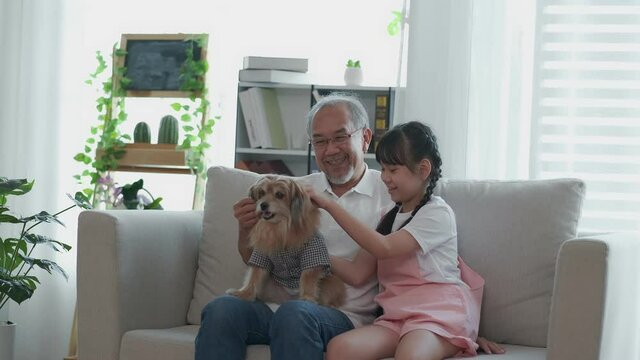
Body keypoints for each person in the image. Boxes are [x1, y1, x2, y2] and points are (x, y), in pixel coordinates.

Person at [194, 94, 504, 359]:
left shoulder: (394, 197)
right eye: (320, 141)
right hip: (279, 304)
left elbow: (438, 266)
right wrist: (246, 229)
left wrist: (465, 330)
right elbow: (254, 257)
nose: (330, 150)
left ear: (365, 137)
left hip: (339, 314)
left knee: (295, 315)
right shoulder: (291, 190)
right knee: (222, 310)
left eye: (340, 137)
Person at [306, 121, 498, 359]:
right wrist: (311, 248)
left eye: (393, 170)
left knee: (410, 355)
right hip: (397, 316)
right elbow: (357, 273)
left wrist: (328, 204)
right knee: (340, 349)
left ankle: (457, 339)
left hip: (437, 315)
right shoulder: (388, 218)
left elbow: (384, 248)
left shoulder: (437, 213)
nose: (384, 177)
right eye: (383, 169)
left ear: (423, 169)